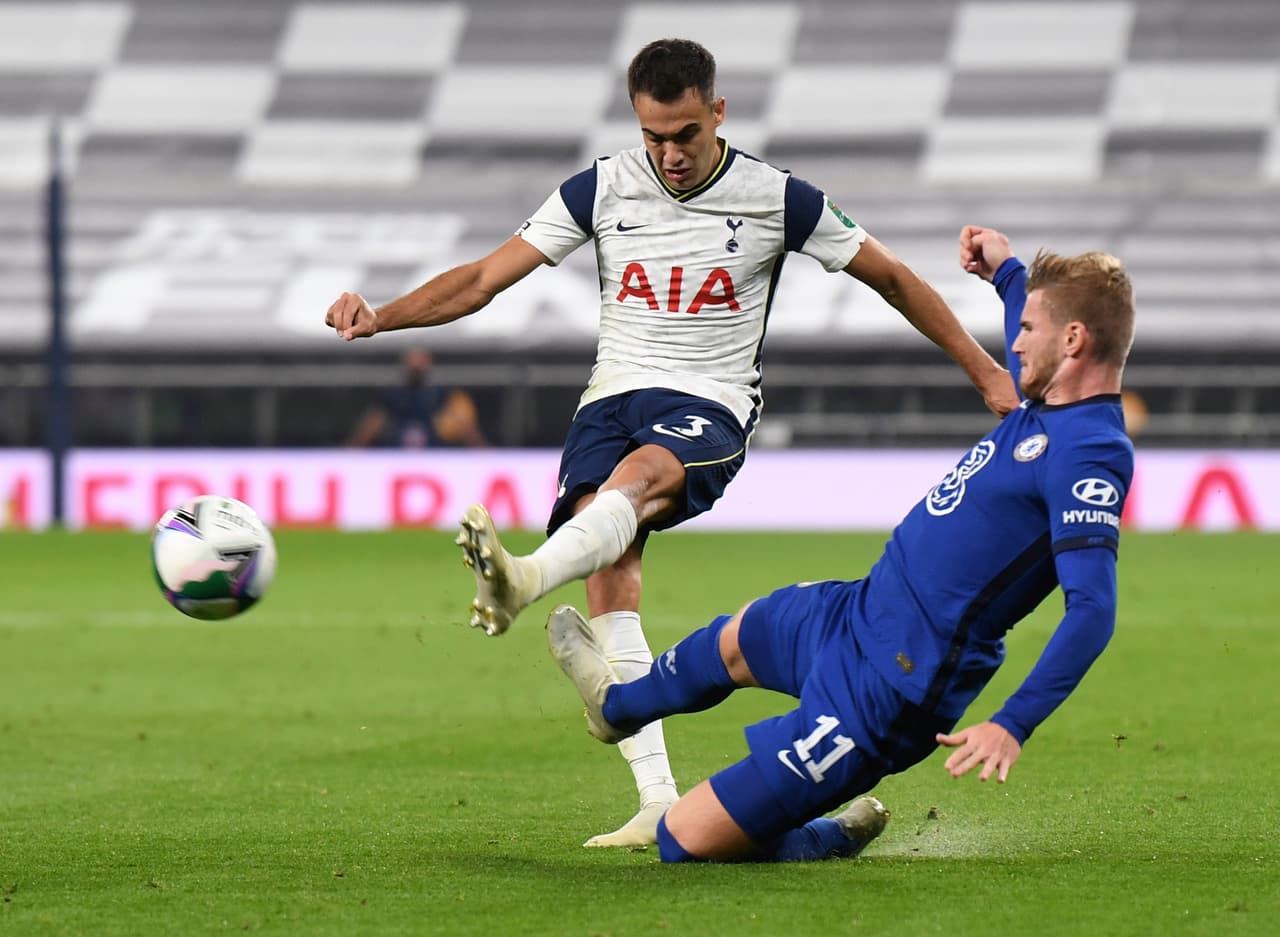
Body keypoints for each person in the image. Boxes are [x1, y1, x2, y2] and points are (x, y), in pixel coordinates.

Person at [325, 39, 1018, 848]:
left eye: (685, 133)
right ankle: (656, 796)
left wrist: (985, 372)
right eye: (654, 136)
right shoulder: (603, 186)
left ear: (717, 112)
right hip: (609, 397)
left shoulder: (777, 198)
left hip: (707, 403)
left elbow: (893, 277)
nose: (670, 154)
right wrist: (382, 315)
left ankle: (522, 578)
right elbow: (483, 278)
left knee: (637, 479)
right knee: (609, 572)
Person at [547, 225, 1136, 862]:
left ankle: (832, 835)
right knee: (737, 640)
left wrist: (1011, 724)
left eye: (1028, 331)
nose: (1014, 340)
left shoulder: (1089, 454)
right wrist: (1005, 268)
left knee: (682, 841)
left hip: (890, 690)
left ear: (1073, 341)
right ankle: (617, 709)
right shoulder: (1048, 389)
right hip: (857, 611)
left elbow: (1093, 610)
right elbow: (1035, 308)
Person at [346, 347, 488, 448]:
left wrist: (479, 447)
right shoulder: (393, 394)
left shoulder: (439, 393)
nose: (415, 367)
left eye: (419, 362)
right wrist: (354, 447)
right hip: (397, 451)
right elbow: (372, 424)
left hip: (430, 451)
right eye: (412, 362)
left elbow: (462, 424)